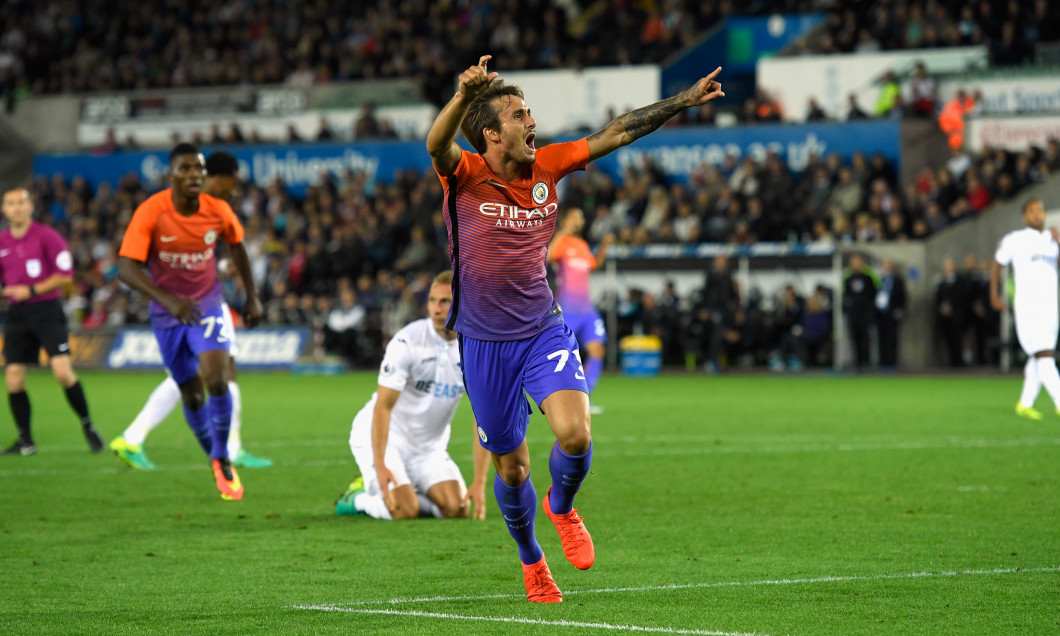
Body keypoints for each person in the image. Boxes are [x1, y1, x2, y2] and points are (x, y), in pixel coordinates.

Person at [426, 54, 723, 602]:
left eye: (528, 112)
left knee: (577, 434)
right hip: (485, 344)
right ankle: (531, 558)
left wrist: (681, 101)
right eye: (518, 115)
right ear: (490, 133)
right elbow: (436, 144)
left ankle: (561, 507)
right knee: (511, 470)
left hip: (543, 328)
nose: (531, 121)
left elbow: (618, 131)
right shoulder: (465, 174)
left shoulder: (550, 167)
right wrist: (464, 94)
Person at [117, 143, 263, 500]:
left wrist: (252, 295)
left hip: (208, 305)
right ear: (171, 176)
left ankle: (222, 456)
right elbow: (125, 268)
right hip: (167, 314)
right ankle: (212, 455)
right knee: (191, 393)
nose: (194, 175)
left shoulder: (219, 210)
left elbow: (238, 246)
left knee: (217, 379)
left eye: (198, 169)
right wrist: (169, 301)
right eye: (185, 169)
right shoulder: (152, 211)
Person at [334, 271, 490, 520]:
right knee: (404, 510)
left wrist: (480, 482)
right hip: (386, 439)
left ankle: (407, 490)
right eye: (431, 301)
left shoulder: (476, 351)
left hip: (428, 449)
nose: (436, 309)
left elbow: (483, 420)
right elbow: (382, 407)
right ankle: (359, 497)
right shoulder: (407, 342)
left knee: (458, 509)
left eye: (445, 302)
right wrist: (380, 463)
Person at [0, 188, 103, 456]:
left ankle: (88, 426)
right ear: (4, 209)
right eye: (11, 203)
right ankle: (26, 441)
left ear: (31, 206)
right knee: (13, 377)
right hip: (16, 314)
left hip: (46, 309)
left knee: (62, 372)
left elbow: (65, 276)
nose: (17, 208)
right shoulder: (2, 242)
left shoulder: (47, 236)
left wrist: (31, 290)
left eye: (21, 202)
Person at [991, 199, 1060, 420]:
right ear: (1024, 216)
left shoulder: (1052, 240)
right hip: (1028, 307)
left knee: (1038, 356)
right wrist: (994, 294)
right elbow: (997, 264)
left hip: (1051, 306)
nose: (1037, 215)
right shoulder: (1015, 239)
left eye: (1040, 210)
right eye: (1032, 211)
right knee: (1045, 354)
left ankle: (1025, 403)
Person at [547, 207, 613, 411]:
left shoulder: (582, 245)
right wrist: (564, 230)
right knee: (564, 357)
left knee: (597, 351)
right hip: (567, 309)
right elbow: (548, 257)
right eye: (575, 216)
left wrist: (604, 246)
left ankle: (584, 398)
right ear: (566, 220)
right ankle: (558, 399)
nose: (579, 220)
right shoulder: (561, 242)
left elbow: (594, 264)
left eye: (581, 216)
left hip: (587, 310)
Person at [842, 254, 877, 370]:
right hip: (853, 314)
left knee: (865, 337)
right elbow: (845, 296)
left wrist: (871, 311)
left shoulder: (868, 278)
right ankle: (856, 362)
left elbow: (873, 295)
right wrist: (847, 310)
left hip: (865, 313)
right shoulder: (848, 278)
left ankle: (866, 361)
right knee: (854, 337)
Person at [875, 259, 907, 369]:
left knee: (892, 338)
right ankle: (882, 362)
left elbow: (902, 296)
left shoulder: (897, 280)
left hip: (892, 313)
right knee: (881, 338)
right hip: (880, 313)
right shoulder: (879, 279)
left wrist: (900, 309)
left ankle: (892, 362)